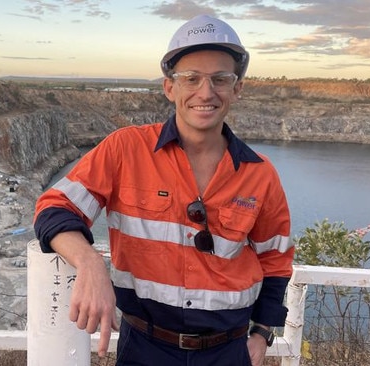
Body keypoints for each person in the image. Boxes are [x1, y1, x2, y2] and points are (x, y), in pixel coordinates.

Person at [33, 14, 294, 366]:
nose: (206, 92)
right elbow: (55, 207)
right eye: (191, 79)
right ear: (170, 87)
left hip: (228, 352)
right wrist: (89, 261)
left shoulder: (260, 175)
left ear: (237, 89)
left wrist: (262, 334)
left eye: (220, 79)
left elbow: (275, 262)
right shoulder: (125, 149)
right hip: (144, 349)